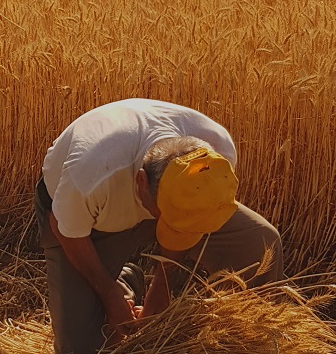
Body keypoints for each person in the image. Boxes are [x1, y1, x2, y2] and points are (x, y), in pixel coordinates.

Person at [35, 98, 283, 354]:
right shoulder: (88, 177)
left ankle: (245, 339)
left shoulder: (215, 156)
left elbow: (189, 221)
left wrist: (162, 285)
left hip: (147, 201)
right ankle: (124, 281)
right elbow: (65, 229)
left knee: (260, 243)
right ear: (141, 182)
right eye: (166, 218)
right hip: (87, 223)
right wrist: (109, 293)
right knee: (82, 347)